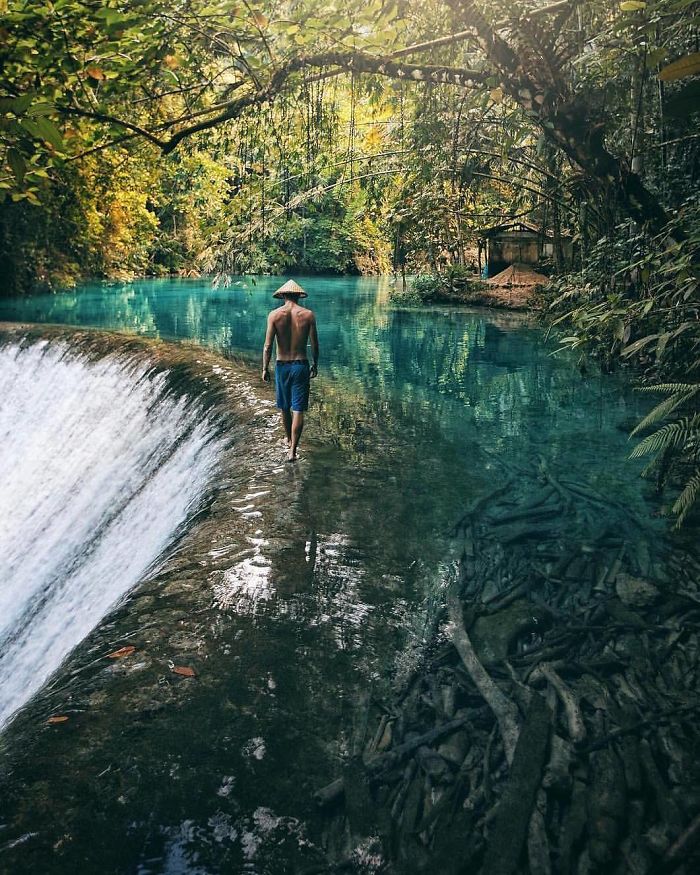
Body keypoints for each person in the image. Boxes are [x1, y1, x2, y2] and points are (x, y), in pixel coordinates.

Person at [262, 279, 319, 462]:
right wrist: (315, 364)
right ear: (298, 296)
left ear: (283, 295)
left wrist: (264, 368)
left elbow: (267, 345)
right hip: (301, 365)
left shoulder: (274, 315)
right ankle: (292, 451)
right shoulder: (308, 315)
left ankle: (287, 439)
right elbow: (315, 344)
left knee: (285, 407)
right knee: (298, 410)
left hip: (282, 366)